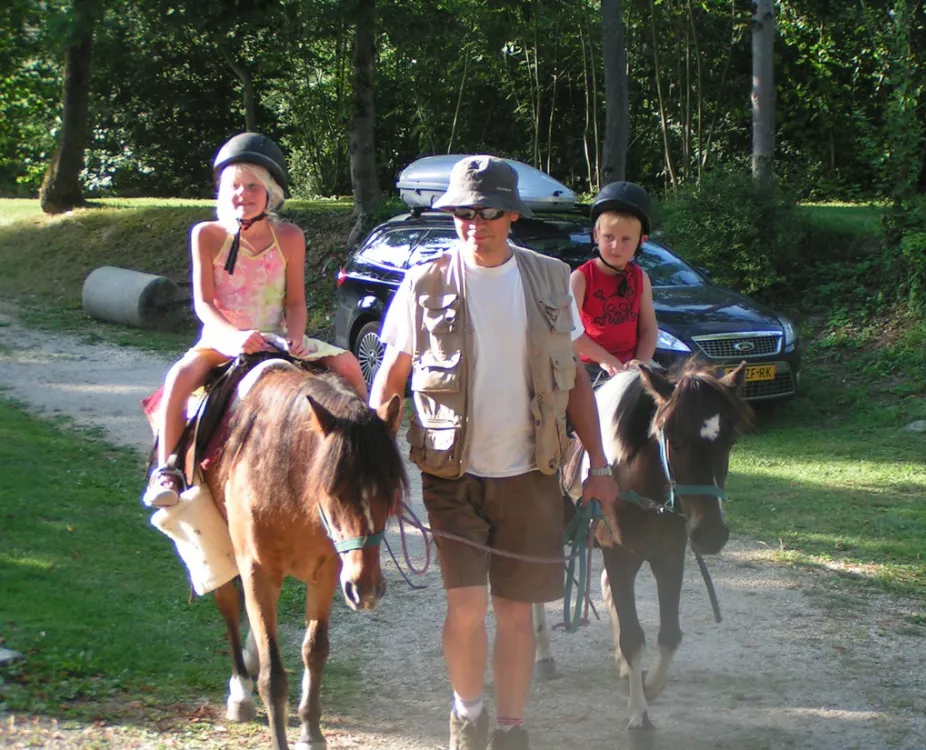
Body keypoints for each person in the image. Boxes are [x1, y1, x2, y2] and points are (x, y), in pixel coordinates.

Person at [368, 155, 619, 750]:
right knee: (465, 608)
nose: (473, 224)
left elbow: (576, 381)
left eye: (486, 212)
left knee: (514, 612)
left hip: (531, 474)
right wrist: (374, 465)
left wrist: (600, 464)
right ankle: (467, 713)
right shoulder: (424, 283)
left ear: (511, 215)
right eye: (462, 212)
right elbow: (391, 381)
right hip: (451, 475)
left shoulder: (550, 278)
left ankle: (510, 729)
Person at [143, 132, 367, 509]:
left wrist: (297, 336)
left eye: (252, 186)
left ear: (270, 193)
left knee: (347, 364)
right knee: (179, 378)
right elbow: (204, 303)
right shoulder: (206, 235)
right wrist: (234, 337)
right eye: (234, 186)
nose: (242, 194)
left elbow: (295, 302)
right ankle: (168, 470)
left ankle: (367, 450)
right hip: (223, 338)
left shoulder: (290, 236)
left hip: (275, 336)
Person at [572, 181, 659, 383]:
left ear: (641, 240)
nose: (616, 246)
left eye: (626, 239)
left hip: (631, 366)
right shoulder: (581, 278)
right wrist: (605, 359)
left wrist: (641, 362)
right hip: (589, 367)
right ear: (596, 235)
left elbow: (649, 329)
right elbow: (569, 330)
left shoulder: (640, 278)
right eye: (608, 237)